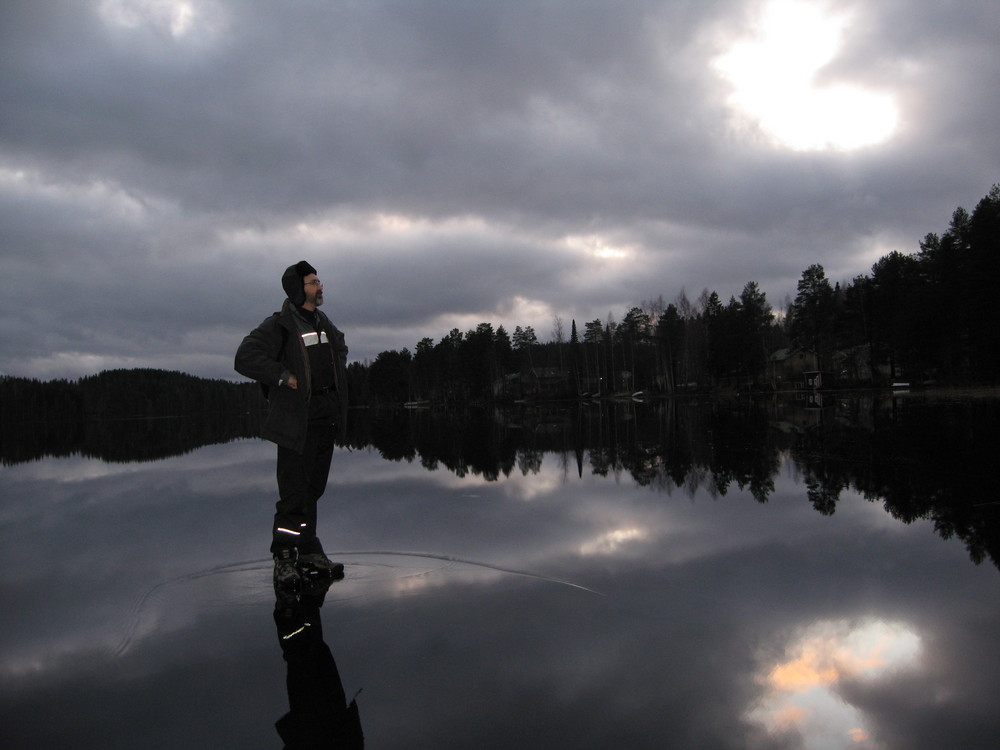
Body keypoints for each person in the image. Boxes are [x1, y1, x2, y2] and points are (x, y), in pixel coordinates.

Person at [235, 260, 349, 588]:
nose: (320, 286)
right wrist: (283, 376)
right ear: (300, 290)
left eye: (318, 281)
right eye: (314, 283)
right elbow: (245, 357)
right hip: (295, 425)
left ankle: (308, 548)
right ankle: (284, 556)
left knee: (312, 491)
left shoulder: (322, 321)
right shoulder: (281, 325)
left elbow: (340, 347)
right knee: (293, 495)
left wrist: (336, 368)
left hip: (324, 418)